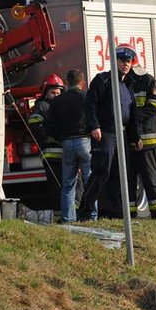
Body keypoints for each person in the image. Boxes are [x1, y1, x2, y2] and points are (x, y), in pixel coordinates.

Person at [78, 44, 139, 221]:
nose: (125, 64)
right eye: (122, 60)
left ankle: (115, 213)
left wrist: (135, 137)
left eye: (128, 61)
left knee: (121, 175)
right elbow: (90, 105)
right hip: (106, 133)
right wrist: (94, 126)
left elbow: (132, 112)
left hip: (124, 135)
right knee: (101, 172)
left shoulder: (128, 85)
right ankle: (86, 211)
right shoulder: (102, 80)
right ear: (114, 61)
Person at [45, 69, 94, 222]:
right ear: (83, 82)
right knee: (90, 182)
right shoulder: (87, 97)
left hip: (66, 143)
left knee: (68, 185)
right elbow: (95, 118)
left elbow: (50, 125)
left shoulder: (57, 101)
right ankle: (91, 216)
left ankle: (68, 218)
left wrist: (60, 137)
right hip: (85, 141)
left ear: (67, 83)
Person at [127, 65, 156, 219]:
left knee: (150, 179)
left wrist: (133, 117)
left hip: (148, 139)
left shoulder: (148, 80)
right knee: (129, 180)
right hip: (129, 140)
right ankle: (130, 214)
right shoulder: (121, 82)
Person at [28, 74, 65, 184]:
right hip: (50, 152)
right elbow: (34, 125)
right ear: (46, 93)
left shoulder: (62, 106)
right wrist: (48, 138)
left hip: (65, 152)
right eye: (53, 93)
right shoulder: (42, 106)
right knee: (56, 184)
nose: (56, 96)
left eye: (58, 93)